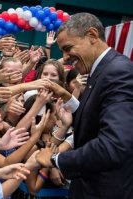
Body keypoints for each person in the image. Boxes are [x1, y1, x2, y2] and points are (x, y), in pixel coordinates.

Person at [36, 12, 133, 199]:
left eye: (68, 48)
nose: (65, 57)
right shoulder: (101, 69)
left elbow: (114, 145)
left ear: (92, 36)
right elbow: (95, 118)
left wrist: (55, 159)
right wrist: (66, 96)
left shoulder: (118, 72)